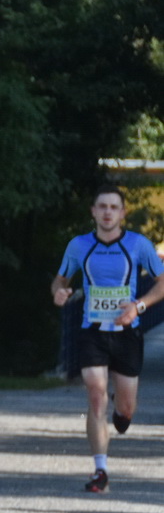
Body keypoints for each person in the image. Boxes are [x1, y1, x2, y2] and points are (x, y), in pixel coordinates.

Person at [50, 184, 163, 492]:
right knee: (96, 395)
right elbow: (61, 278)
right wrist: (59, 292)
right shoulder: (79, 246)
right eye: (102, 206)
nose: (108, 212)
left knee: (127, 408)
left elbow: (162, 282)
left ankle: (121, 411)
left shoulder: (139, 245)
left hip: (127, 333)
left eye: (114, 207)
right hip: (92, 332)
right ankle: (100, 470)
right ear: (93, 212)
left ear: (123, 213)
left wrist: (138, 306)